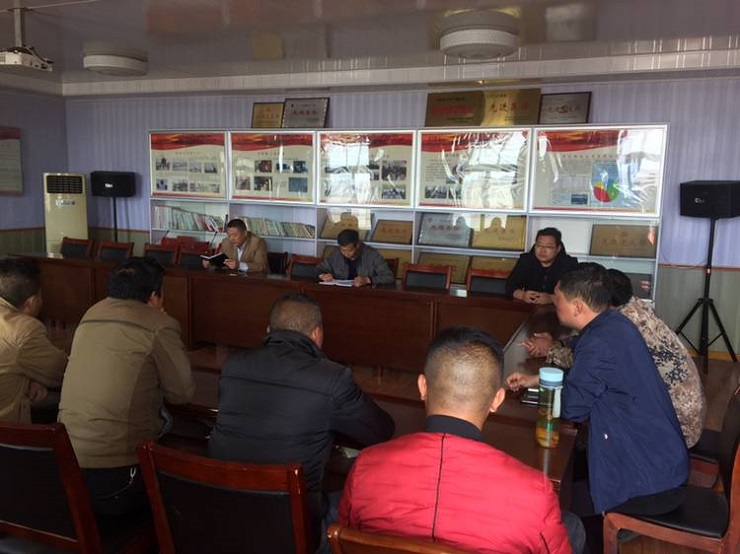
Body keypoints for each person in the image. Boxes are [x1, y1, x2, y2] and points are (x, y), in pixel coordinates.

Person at [339, 326, 580, 554]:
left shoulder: (365, 467)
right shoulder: (534, 493)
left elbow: (348, 538)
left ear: (423, 387)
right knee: (573, 526)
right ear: (497, 400)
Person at [208, 293, 395, 547]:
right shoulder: (331, 379)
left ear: (268, 330)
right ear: (317, 334)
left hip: (226, 515)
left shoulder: (233, 366)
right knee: (364, 503)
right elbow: (380, 431)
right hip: (293, 529)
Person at [509, 264, 689, 516]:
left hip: (647, 478)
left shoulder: (599, 341)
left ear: (577, 306)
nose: (554, 303)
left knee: (554, 506)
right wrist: (539, 379)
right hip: (661, 459)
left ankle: (607, 527)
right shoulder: (613, 323)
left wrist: (549, 386)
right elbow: (591, 377)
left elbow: (571, 407)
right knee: (571, 473)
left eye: (558, 298)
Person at [58, 257, 195, 515]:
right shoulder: (159, 324)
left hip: (66, 464)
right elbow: (182, 394)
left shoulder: (91, 314)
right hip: (118, 476)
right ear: (154, 296)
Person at [516, 268, 706, 448]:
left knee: (579, 429)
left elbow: (584, 376)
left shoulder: (619, 326)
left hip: (674, 426)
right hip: (664, 413)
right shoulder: (627, 310)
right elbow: (586, 348)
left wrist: (551, 352)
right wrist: (558, 345)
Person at [0, 258, 67, 423]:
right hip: (7, 433)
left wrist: (28, 379)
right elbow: (60, 372)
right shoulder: (24, 329)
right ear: (31, 302)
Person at [505, 227, 578, 304]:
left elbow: (576, 294)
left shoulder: (569, 264)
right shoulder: (526, 260)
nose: (542, 250)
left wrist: (551, 298)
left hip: (558, 309)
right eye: (539, 245)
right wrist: (522, 295)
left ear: (558, 248)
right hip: (529, 306)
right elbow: (510, 286)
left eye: (548, 247)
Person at [316, 229, 395, 287]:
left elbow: (389, 277)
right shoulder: (336, 253)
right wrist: (323, 275)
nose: (346, 254)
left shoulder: (372, 255)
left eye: (349, 251)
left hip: (364, 294)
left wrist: (367, 279)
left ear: (357, 245)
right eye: (343, 250)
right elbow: (319, 269)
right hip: (340, 293)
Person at [203, 218, 268, 273]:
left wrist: (239, 265)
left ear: (245, 233)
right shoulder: (225, 242)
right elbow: (221, 262)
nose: (231, 239)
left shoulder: (257, 242)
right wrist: (211, 263)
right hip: (233, 279)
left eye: (235, 235)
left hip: (253, 280)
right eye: (229, 235)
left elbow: (261, 267)